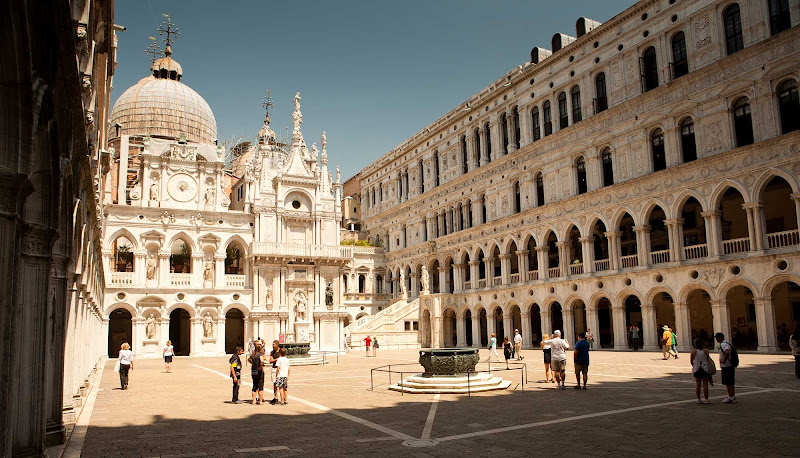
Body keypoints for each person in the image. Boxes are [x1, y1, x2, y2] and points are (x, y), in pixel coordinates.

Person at [715, 332, 736, 404]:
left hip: (727, 366)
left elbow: (727, 352)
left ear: (720, 338)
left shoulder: (723, 344)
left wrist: (724, 360)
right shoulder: (726, 343)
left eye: (717, 338)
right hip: (730, 365)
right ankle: (732, 396)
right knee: (730, 382)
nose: (716, 339)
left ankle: (730, 397)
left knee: (728, 382)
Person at [690, 338, 712, 404]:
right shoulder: (705, 351)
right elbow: (708, 359)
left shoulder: (693, 352)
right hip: (704, 368)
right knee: (705, 385)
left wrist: (695, 364)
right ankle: (706, 399)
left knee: (698, 385)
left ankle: (698, 399)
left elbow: (691, 361)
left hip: (697, 369)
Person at [268, 340, 281, 405]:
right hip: (274, 368)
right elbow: (270, 361)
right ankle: (275, 397)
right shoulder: (272, 352)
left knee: (280, 383)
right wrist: (277, 359)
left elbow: (283, 359)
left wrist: (274, 360)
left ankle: (282, 398)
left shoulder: (281, 351)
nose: (272, 346)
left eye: (274, 344)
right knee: (274, 383)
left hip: (279, 369)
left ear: (277, 345)